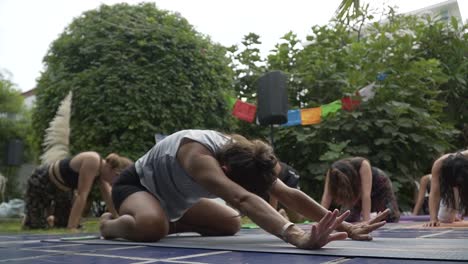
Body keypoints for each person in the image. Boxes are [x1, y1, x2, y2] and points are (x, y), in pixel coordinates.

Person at [100, 129, 390, 249]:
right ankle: (110, 226)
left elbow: (287, 193)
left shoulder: (246, 158)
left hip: (175, 200)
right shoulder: (198, 156)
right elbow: (241, 196)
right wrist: (296, 235)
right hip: (137, 187)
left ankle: (166, 222)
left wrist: (347, 226)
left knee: (230, 222)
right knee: (151, 227)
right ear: (225, 171)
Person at [23, 151, 132, 230]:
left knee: (62, 224)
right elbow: (82, 195)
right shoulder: (93, 160)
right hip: (42, 182)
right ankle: (32, 217)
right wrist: (72, 227)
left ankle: (51, 219)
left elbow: (109, 198)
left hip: (63, 191)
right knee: (35, 226)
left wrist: (119, 219)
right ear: (114, 171)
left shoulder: (102, 174)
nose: (113, 183)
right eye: (116, 178)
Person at [321, 157, 400, 223]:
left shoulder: (363, 165)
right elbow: (326, 197)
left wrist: (366, 222)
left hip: (379, 186)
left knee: (389, 217)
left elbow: (366, 195)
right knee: (346, 219)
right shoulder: (331, 173)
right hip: (356, 191)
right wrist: (320, 219)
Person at [424, 149, 468, 227]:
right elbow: (434, 193)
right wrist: (433, 219)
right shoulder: (438, 165)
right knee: (445, 218)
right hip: (450, 185)